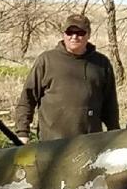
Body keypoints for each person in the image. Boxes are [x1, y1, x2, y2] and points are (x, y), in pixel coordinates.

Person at [13, 13, 119, 143]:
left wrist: (115, 134)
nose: (74, 37)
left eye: (80, 33)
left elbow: (110, 105)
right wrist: (22, 133)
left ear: (88, 35)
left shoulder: (101, 63)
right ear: (64, 34)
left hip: (90, 143)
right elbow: (27, 99)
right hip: (51, 144)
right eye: (70, 32)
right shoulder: (46, 60)